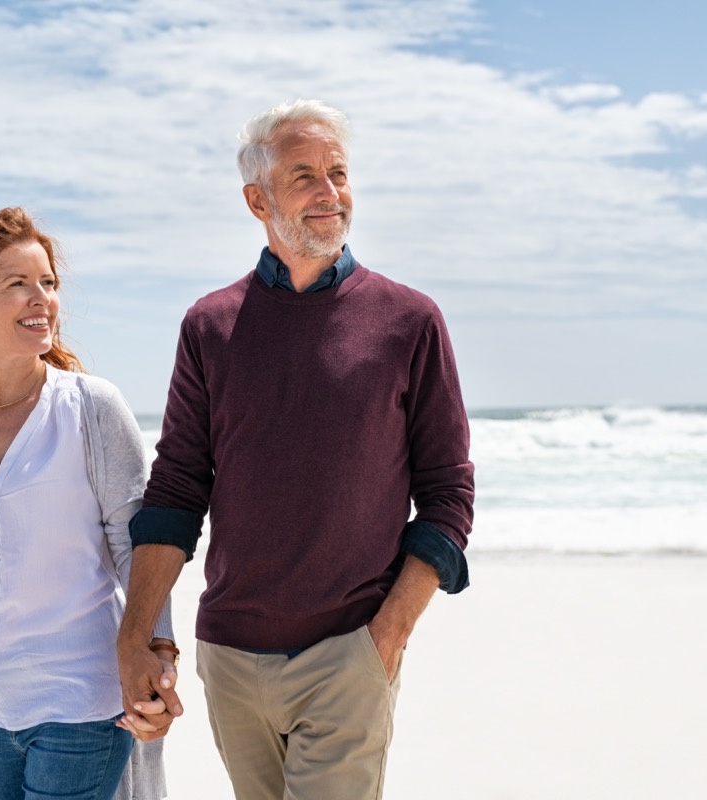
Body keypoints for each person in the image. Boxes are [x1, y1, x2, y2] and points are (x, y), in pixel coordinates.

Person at [115, 100, 476, 799]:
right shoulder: (210, 325)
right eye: (304, 174)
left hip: (348, 652)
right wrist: (136, 634)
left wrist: (386, 637)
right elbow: (178, 487)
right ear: (257, 199)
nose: (329, 192)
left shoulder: (410, 321)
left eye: (338, 173)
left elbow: (448, 493)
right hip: (229, 656)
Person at [0, 207, 176, 800]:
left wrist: (159, 656)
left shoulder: (92, 409)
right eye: (18, 283)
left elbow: (137, 550)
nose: (43, 299)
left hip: (83, 700)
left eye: (48, 283)